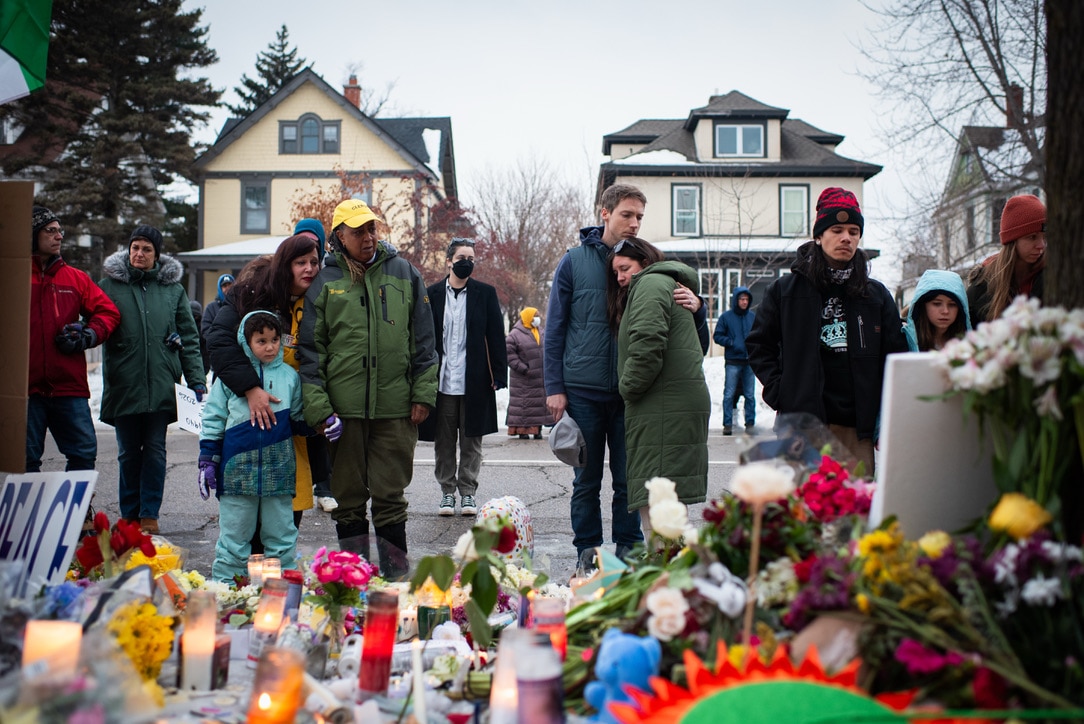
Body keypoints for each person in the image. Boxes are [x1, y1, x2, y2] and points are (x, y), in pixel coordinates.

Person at [544, 184, 704, 567]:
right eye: (627, 215)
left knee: (631, 480)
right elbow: (555, 328)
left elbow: (681, 328)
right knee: (585, 481)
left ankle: (630, 551)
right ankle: (589, 552)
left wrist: (698, 308)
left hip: (634, 393)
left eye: (639, 218)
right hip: (583, 390)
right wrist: (555, 387)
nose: (634, 224)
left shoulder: (646, 264)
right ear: (605, 213)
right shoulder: (573, 262)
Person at [298, 199, 437, 579]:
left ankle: (394, 576)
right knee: (348, 501)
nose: (368, 237)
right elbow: (311, 352)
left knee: (391, 497)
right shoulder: (325, 282)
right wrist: (320, 407)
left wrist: (424, 393)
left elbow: (424, 339)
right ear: (339, 236)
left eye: (372, 228)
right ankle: (353, 579)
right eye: (358, 231)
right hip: (343, 413)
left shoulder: (404, 273)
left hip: (395, 409)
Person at [746, 188, 907, 476]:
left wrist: (882, 409)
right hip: (802, 424)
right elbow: (759, 345)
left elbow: (895, 356)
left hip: (857, 428)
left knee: (853, 515)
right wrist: (780, 391)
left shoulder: (876, 295)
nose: (846, 237)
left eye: (854, 231)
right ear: (819, 235)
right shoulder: (785, 291)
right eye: (837, 229)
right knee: (802, 514)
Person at [99, 224, 206, 534]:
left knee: (156, 451)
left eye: (146, 249)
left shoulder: (173, 290)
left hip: (160, 383)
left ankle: (149, 515)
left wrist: (196, 379)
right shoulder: (109, 286)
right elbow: (96, 323)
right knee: (128, 453)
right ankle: (129, 515)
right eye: (135, 247)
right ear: (128, 250)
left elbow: (188, 335)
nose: (139, 253)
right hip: (125, 383)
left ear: (156, 255)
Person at [199, 311, 318, 582]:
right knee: (234, 537)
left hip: (280, 470)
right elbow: (214, 417)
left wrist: (319, 424)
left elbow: (298, 418)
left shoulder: (290, 376)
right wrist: (208, 458)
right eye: (261, 340)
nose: (270, 346)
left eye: (275, 339)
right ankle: (226, 589)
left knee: (282, 536)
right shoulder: (232, 379)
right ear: (246, 341)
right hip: (237, 471)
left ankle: (281, 591)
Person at [609, 238, 709, 538]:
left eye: (625, 268)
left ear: (644, 263)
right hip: (670, 401)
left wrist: (627, 388)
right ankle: (671, 574)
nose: (620, 278)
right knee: (668, 506)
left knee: (659, 509)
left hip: (663, 405)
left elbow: (648, 342)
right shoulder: (666, 284)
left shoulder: (650, 284)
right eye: (615, 273)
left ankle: (666, 578)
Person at [417, 239, 507, 516]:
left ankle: (467, 493)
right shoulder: (431, 294)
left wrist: (499, 375)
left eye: (470, 257)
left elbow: (495, 337)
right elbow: (423, 338)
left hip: (475, 381)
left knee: (472, 441)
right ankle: (447, 493)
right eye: (461, 256)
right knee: (444, 441)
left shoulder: (485, 294)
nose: (466, 261)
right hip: (442, 382)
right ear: (448, 261)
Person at [28, 205, 120, 476]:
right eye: (51, 231)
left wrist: (87, 335)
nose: (59, 237)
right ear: (33, 234)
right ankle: (30, 517)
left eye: (60, 231)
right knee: (25, 460)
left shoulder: (76, 278)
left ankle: (80, 516)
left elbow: (108, 313)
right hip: (25, 389)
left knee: (82, 453)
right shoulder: (12, 277)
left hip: (69, 387)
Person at [292, 218, 338, 514]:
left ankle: (325, 486)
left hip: (319, 369)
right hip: (289, 372)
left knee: (322, 430)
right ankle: (301, 486)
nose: (307, 265)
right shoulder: (285, 281)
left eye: (314, 251)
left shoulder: (327, 281)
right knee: (296, 435)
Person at [967, 194, 1046, 328]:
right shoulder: (982, 284)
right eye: (1032, 237)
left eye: (1045, 237)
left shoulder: (1054, 277)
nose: (1041, 245)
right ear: (1012, 241)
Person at [713, 286, 756, 436]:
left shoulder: (752, 317)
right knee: (729, 394)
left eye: (746, 299)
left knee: (750, 394)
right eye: (741, 299)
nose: (744, 302)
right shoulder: (726, 317)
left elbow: (759, 335)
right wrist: (731, 342)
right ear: (736, 300)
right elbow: (717, 336)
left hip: (749, 362)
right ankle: (727, 424)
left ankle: (750, 424)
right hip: (732, 361)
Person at [506, 306, 553, 440]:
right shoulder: (515, 335)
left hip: (539, 377)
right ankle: (522, 430)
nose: (537, 319)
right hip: (523, 378)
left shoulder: (540, 331)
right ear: (527, 318)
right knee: (524, 404)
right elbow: (509, 355)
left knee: (538, 404)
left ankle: (537, 429)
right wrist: (523, 368)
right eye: (535, 316)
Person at [904, 270, 971, 352]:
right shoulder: (904, 341)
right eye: (937, 304)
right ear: (922, 305)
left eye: (952, 305)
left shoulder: (970, 343)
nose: (945, 311)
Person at [201, 273, 234, 345]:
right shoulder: (211, 308)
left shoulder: (239, 306)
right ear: (220, 288)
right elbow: (205, 329)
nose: (228, 288)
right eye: (225, 286)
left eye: (230, 285)